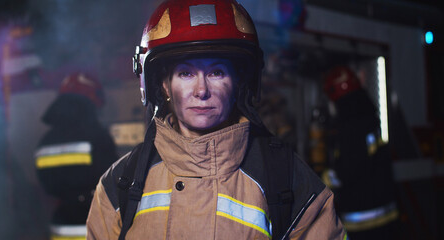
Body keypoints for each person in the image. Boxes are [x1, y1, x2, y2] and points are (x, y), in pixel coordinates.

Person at [87, 0, 346, 239]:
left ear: (238, 83)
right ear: (165, 86)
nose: (201, 91)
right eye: (186, 73)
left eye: (217, 72)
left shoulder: (287, 178)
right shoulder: (120, 183)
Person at [35, 72, 118, 240]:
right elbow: (113, 177)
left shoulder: (46, 140)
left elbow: (45, 185)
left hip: (61, 220)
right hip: (94, 218)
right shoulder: (96, 134)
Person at [323, 66, 399, 240]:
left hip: (362, 220)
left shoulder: (350, 125)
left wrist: (323, 178)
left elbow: (349, 170)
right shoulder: (368, 117)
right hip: (385, 215)